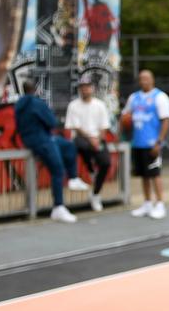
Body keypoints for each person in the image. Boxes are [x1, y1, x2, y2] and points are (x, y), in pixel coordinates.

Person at [14, 78, 79, 223]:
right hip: (42, 140)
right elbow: (51, 122)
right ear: (34, 90)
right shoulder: (37, 103)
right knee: (58, 170)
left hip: (30, 140)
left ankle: (74, 178)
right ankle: (58, 207)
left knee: (67, 145)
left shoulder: (18, 105)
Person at [123, 69, 169, 220]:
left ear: (152, 80)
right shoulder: (134, 98)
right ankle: (147, 203)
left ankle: (160, 203)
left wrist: (159, 142)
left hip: (152, 143)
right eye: (141, 78)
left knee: (154, 174)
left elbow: (166, 120)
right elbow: (126, 115)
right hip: (138, 142)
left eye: (146, 78)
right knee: (143, 175)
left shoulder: (160, 97)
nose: (144, 81)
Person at [64, 75, 112, 212]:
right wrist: (91, 139)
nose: (85, 90)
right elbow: (75, 127)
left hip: (97, 138)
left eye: (87, 87)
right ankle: (90, 169)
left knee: (106, 162)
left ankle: (96, 193)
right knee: (80, 145)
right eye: (82, 87)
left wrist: (98, 139)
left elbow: (104, 126)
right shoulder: (73, 105)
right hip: (82, 138)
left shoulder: (99, 105)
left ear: (92, 88)